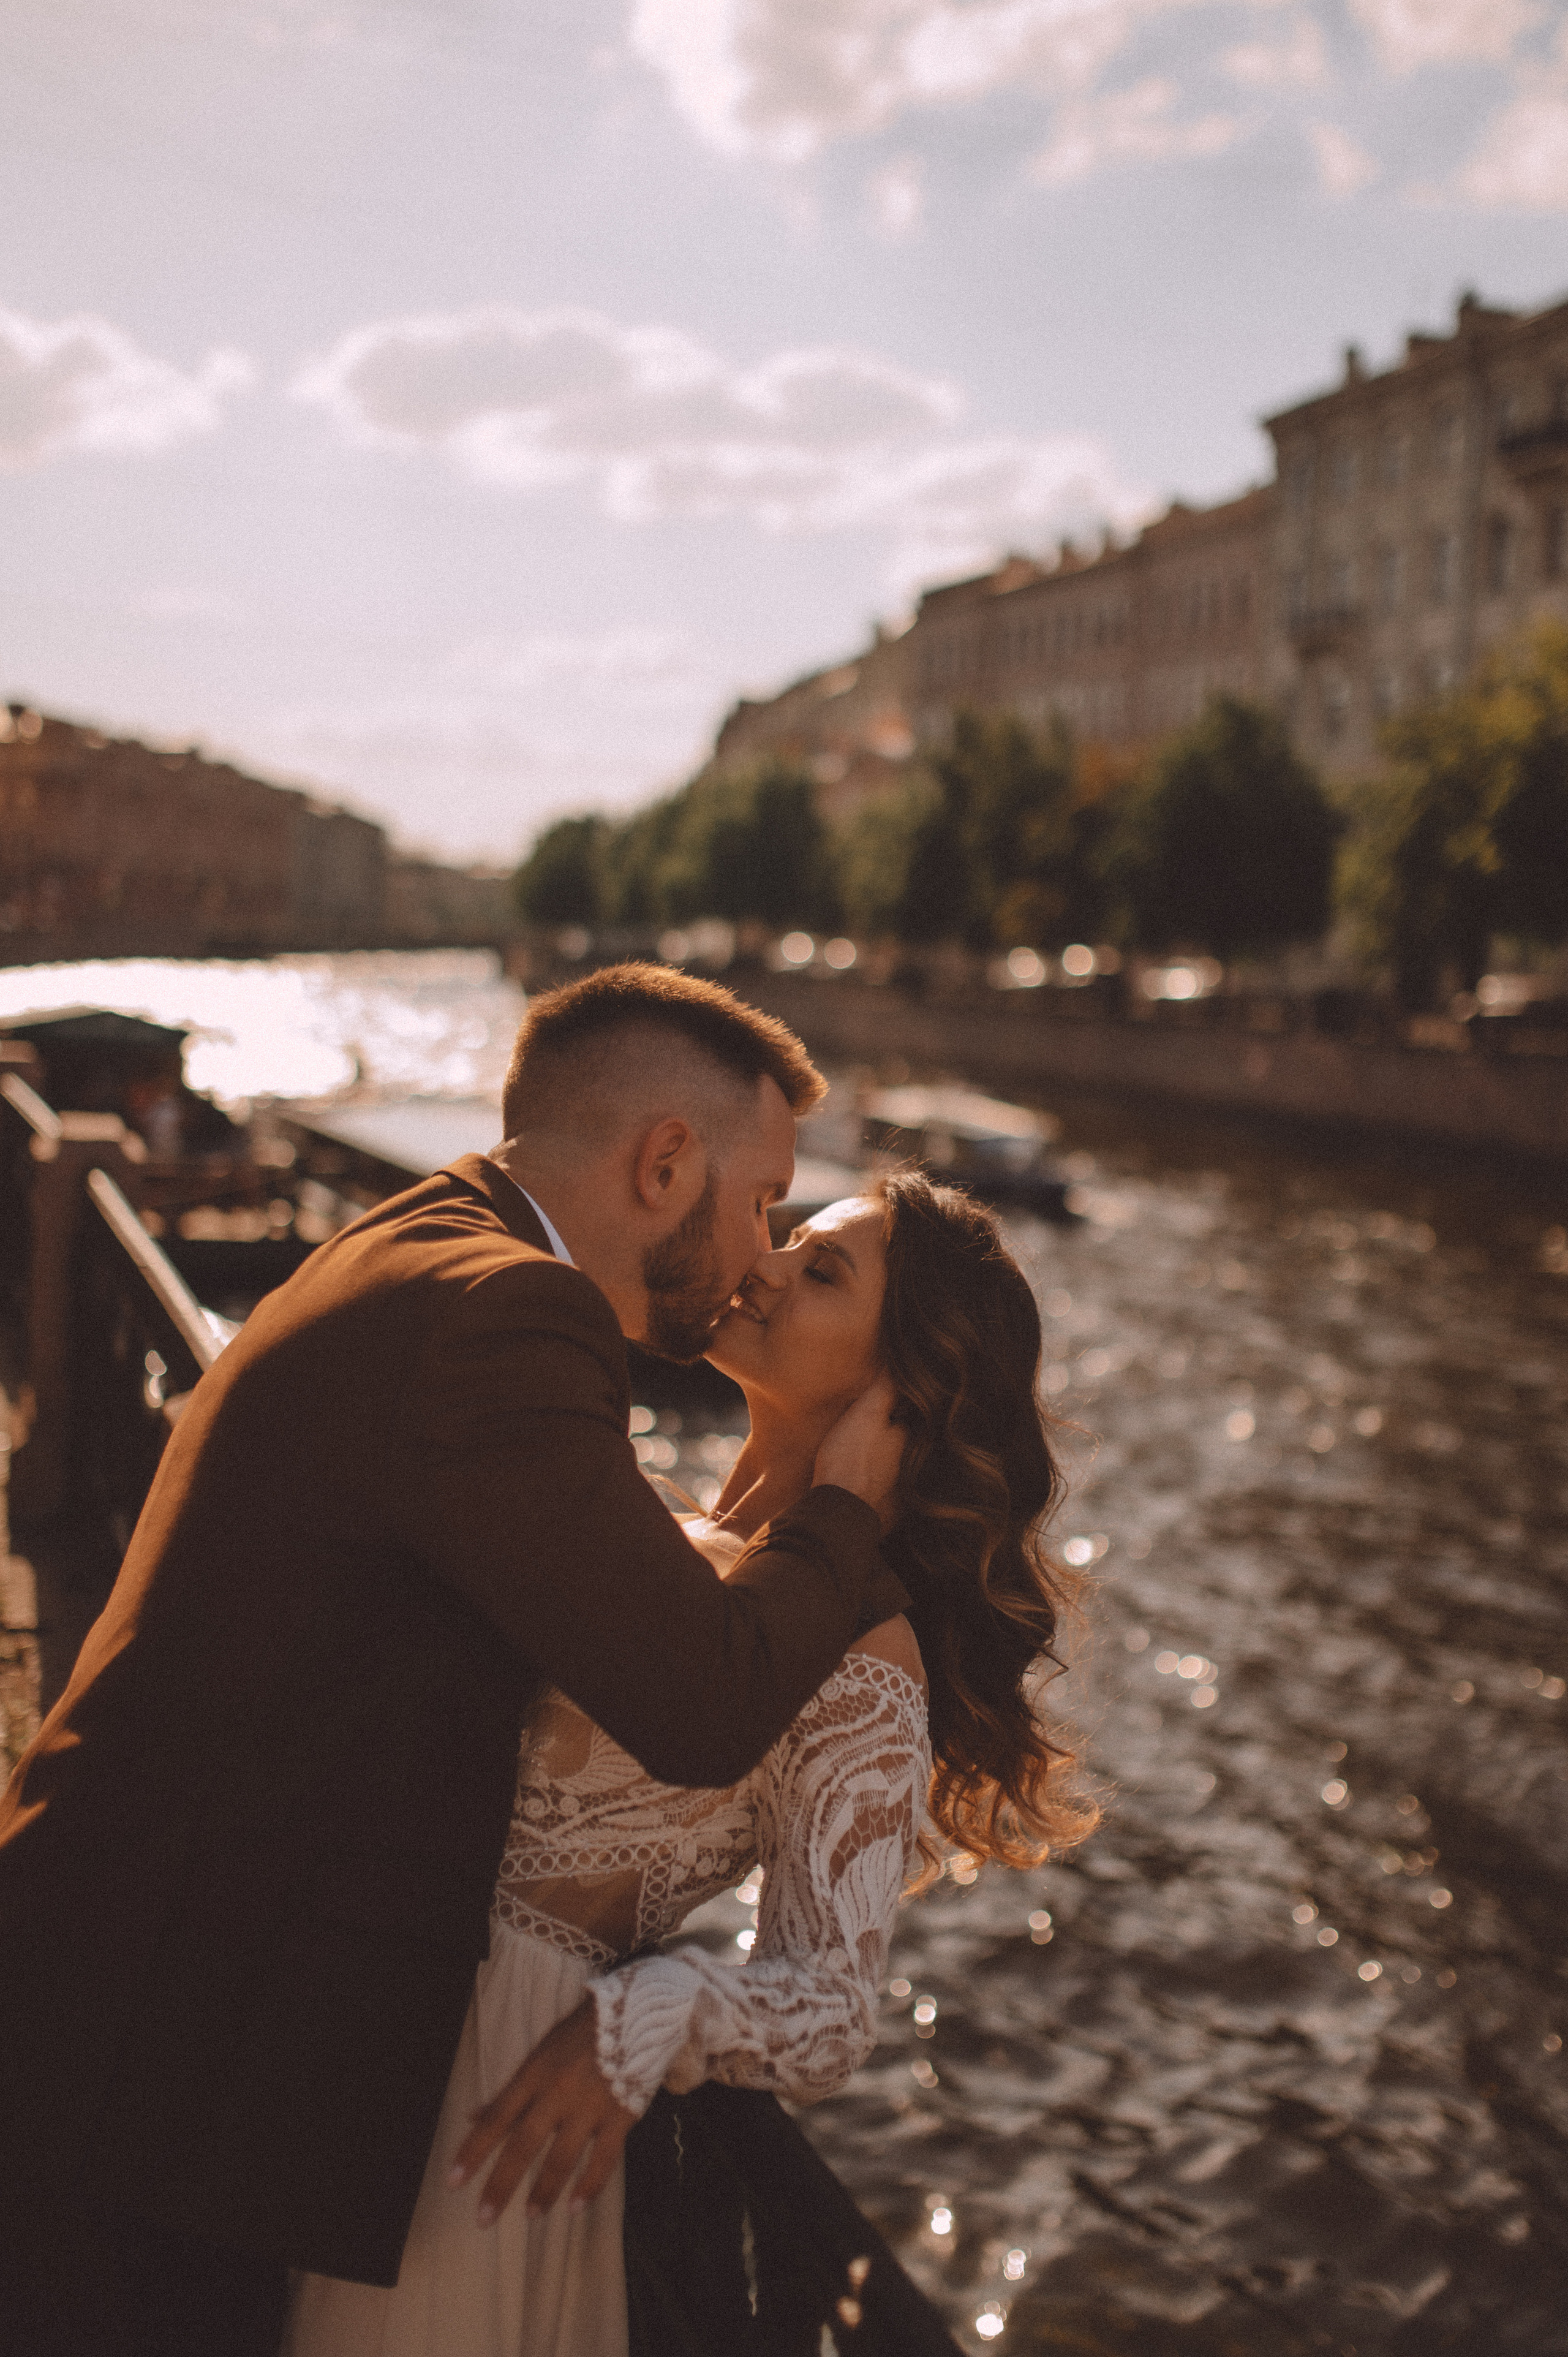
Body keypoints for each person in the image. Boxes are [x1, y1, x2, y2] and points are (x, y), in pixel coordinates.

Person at [0, 966, 910, 2357]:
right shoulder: (511, 1314)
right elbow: (701, 1699)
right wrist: (846, 1504)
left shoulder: (425, 1235)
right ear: (665, 1161)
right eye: (761, 1200)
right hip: (155, 2052)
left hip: (124, 1985)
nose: (760, 1251)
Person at [282, 1168, 1095, 2356]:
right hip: (368, 2009)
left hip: (505, 2083)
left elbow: (825, 2006)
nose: (762, 1261)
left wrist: (648, 2014)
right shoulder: (659, 1514)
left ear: (904, 1386)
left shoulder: (864, 1649)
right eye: (789, 1237)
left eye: (821, 1273)